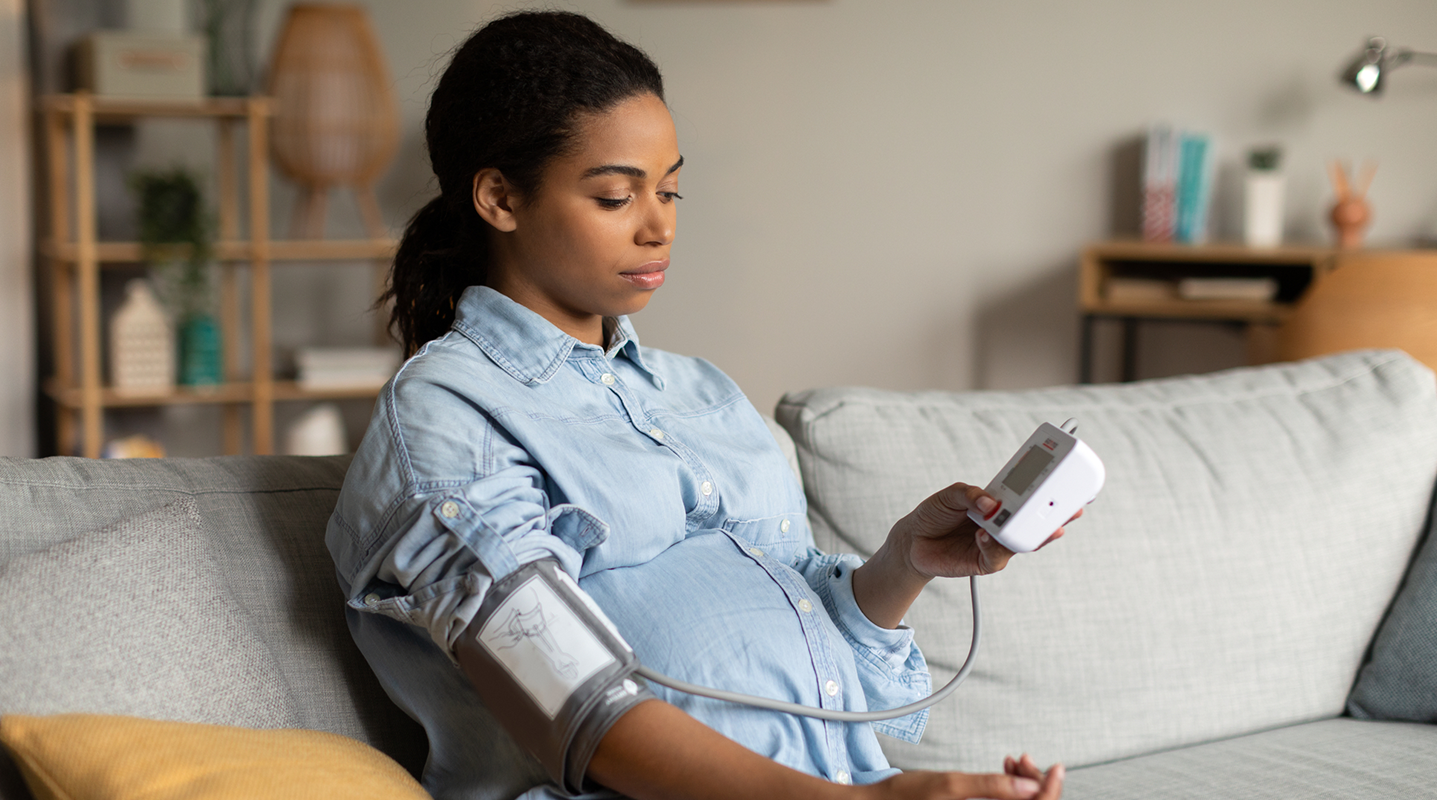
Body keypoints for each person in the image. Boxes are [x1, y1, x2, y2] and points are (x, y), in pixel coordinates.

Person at [326, 10, 1070, 800]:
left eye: (671, 189)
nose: (659, 227)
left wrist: (902, 564)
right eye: (616, 197)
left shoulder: (700, 391)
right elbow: (565, 699)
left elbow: (820, 661)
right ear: (500, 198)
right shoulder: (448, 413)